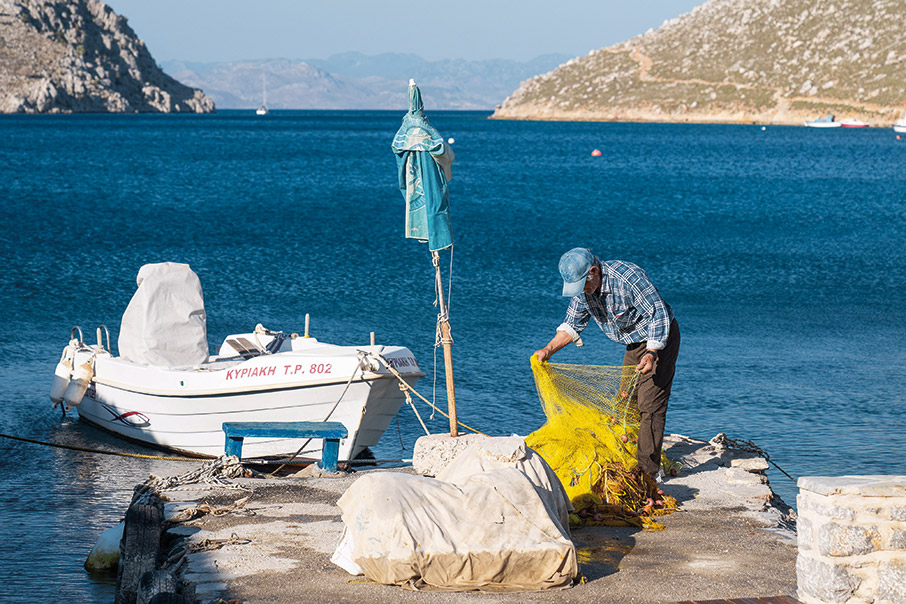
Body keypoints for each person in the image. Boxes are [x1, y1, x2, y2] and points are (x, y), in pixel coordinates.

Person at [533, 247, 680, 481]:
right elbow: (572, 324)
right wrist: (548, 350)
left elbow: (658, 315)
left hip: (659, 338)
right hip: (634, 343)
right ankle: (631, 455)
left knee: (650, 404)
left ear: (594, 271)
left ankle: (649, 472)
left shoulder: (627, 278)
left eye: (583, 285)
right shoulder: (584, 290)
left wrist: (652, 353)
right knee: (625, 401)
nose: (581, 292)